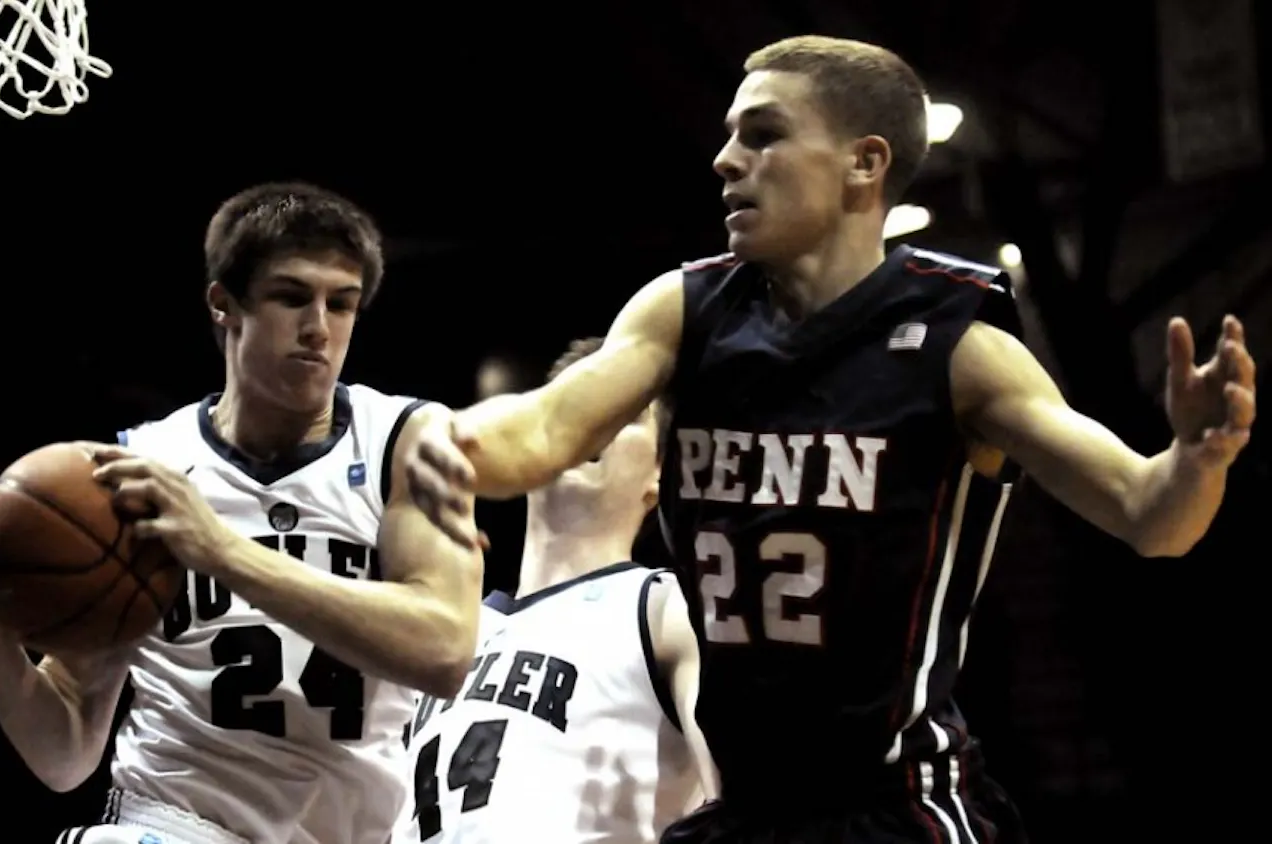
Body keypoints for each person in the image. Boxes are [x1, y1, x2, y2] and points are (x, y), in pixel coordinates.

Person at [397, 35, 1258, 844]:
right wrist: (453, 440)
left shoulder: (960, 348)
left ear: (864, 163)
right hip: (743, 807)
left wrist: (1197, 458)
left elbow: (1152, 517)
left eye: (763, 135)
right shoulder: (684, 311)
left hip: (892, 804)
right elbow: (550, 425)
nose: (725, 159)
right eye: (728, 135)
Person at [0, 181, 484, 844]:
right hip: (174, 822)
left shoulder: (407, 442)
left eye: (342, 303)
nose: (319, 327)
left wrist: (221, 551)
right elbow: (66, 755)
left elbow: (444, 650)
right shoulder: (142, 467)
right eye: (291, 297)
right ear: (224, 304)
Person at [391, 337, 717, 844]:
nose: (592, 426)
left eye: (621, 415)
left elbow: (746, 807)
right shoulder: (449, 636)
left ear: (659, 473)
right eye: (576, 408)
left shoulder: (666, 609)